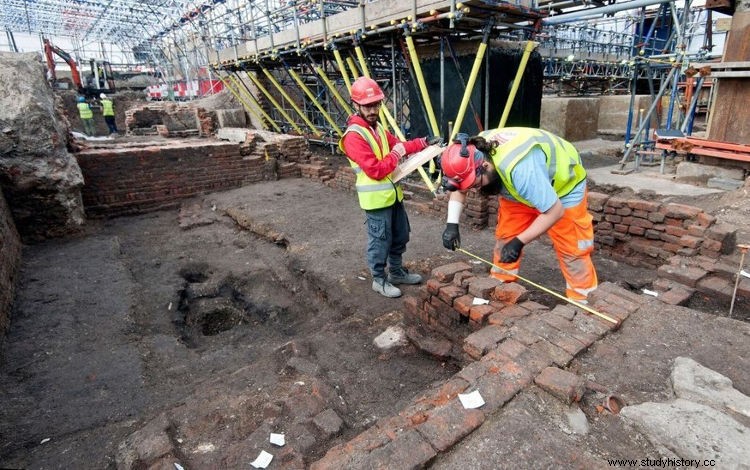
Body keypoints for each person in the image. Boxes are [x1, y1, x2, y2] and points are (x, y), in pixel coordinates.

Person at [439, 128, 598, 302]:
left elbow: (555, 212)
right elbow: (461, 187)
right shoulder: (471, 152)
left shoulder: (521, 170)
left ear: (484, 166)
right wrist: (451, 225)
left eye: (475, 183)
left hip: (564, 187)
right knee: (505, 237)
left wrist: (519, 242)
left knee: (572, 248)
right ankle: (500, 285)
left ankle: (584, 300)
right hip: (518, 190)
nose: (475, 189)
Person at [340, 76, 441, 298]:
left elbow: (400, 145)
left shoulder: (376, 129)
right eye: (367, 106)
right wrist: (396, 154)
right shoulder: (354, 137)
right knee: (380, 241)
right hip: (376, 201)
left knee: (400, 235)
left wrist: (424, 142)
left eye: (376, 104)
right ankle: (379, 279)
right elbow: (375, 169)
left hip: (393, 195)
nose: (373, 109)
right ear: (356, 105)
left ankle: (396, 272)